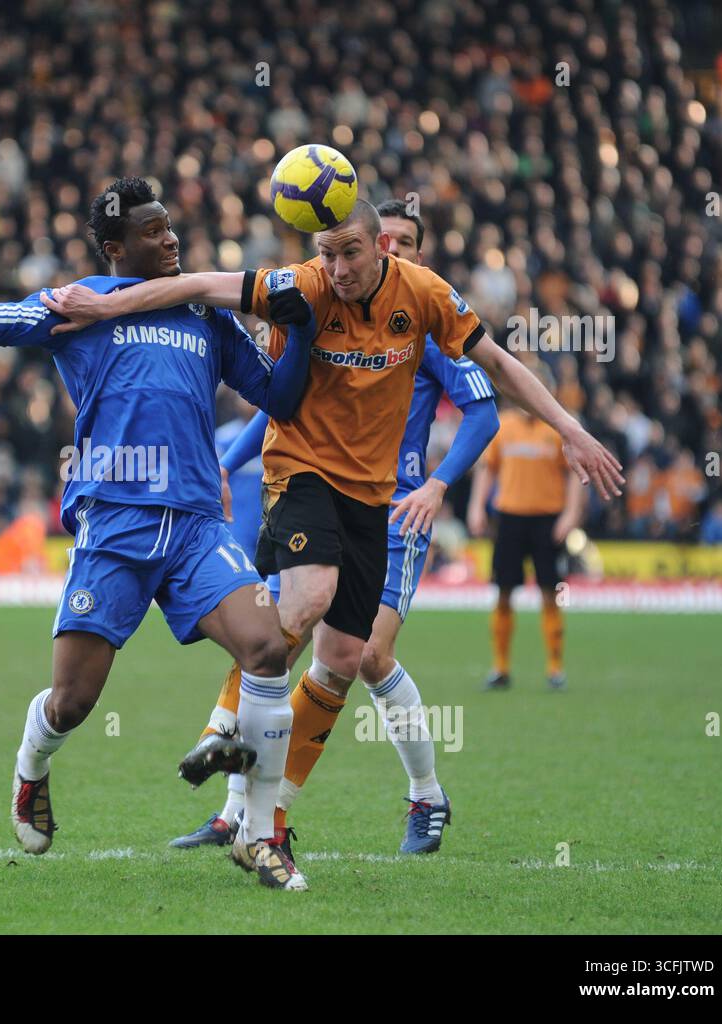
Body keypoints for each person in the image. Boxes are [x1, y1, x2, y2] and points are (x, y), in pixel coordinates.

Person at [43, 197, 624, 878]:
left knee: (351, 655)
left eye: (381, 246)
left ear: (390, 248)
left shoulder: (426, 311)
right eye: (329, 251)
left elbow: (488, 394)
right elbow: (246, 348)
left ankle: (391, 794)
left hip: (389, 502)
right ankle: (249, 795)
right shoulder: (310, 292)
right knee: (304, 621)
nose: (345, 264)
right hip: (306, 481)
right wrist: (114, 314)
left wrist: (478, 469)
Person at [0, 177, 319, 890]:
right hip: (115, 526)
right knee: (73, 702)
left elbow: (281, 398)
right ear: (114, 247)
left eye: (170, 228)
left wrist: (305, 328)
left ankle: (257, 837)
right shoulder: (76, 305)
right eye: (154, 231)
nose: (170, 239)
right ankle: (32, 767)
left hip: (196, 523)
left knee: (266, 647)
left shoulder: (201, 307)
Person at [170, 199, 501, 854]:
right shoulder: (329, 309)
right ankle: (241, 809)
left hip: (395, 504)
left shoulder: (425, 326)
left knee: (368, 657)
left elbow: (484, 411)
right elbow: (286, 409)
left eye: (406, 242)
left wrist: (436, 486)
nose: (396, 251)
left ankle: (425, 794)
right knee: (282, 641)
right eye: (390, 239)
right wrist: (225, 463)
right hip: (316, 490)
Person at [467, 365, 584, 690]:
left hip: (549, 520)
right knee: (503, 593)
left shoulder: (558, 427)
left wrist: (571, 514)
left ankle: (555, 668)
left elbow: (574, 473)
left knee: (551, 592)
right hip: (510, 518)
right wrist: (477, 507)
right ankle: (501, 668)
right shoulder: (503, 427)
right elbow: (487, 470)